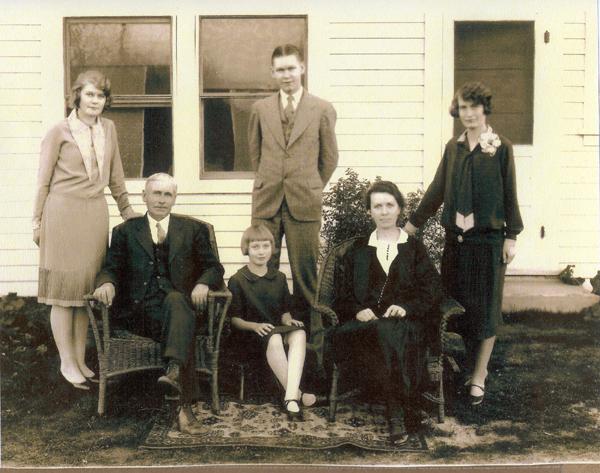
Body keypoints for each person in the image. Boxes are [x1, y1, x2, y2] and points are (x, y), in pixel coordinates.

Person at [404, 81, 523, 406]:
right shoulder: (452, 148)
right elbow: (438, 188)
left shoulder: (501, 148)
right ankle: (469, 367)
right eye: (463, 108)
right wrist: (413, 223)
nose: (469, 114)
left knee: (485, 310)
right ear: (457, 111)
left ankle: (479, 376)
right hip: (457, 244)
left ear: (485, 109)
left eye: (474, 107)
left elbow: (510, 192)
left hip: (487, 242)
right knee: (461, 309)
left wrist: (511, 235)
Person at [93, 173, 225, 435]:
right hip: (140, 313)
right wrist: (106, 283)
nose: (162, 200)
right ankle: (180, 394)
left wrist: (203, 283)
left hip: (180, 309)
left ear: (174, 199)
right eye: (157, 193)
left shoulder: (193, 230)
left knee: (176, 301)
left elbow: (214, 267)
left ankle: (176, 382)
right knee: (179, 317)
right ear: (144, 196)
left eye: (168, 195)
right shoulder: (125, 231)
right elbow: (111, 268)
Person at [33, 70, 137, 390]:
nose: (95, 101)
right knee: (64, 294)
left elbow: (116, 174)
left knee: (86, 292)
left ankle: (80, 359)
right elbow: (44, 181)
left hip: (94, 215)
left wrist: (126, 210)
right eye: (90, 94)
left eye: (101, 96)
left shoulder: (109, 128)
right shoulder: (58, 132)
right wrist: (37, 221)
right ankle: (66, 362)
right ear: (77, 95)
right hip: (62, 214)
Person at [332, 181, 444, 445]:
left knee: (391, 330)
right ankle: (407, 408)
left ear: (400, 209)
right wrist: (358, 310)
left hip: (406, 324)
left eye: (389, 205)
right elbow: (341, 295)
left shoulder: (414, 248)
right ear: (369, 212)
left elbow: (433, 290)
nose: (384, 211)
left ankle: (396, 414)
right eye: (377, 206)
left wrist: (406, 307)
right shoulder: (358, 249)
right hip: (364, 329)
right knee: (383, 330)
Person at [248, 44, 339, 325]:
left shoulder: (322, 108)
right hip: (267, 202)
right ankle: (265, 345)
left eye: (291, 68)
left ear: (302, 68)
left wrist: (310, 184)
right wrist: (271, 180)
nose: (286, 75)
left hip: (304, 202)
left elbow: (329, 158)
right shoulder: (260, 109)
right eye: (280, 70)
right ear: (272, 72)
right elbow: (256, 154)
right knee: (263, 272)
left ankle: (311, 348)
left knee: (306, 276)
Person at [227, 224, 316, 421]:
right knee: (274, 338)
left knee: (299, 333)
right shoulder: (238, 280)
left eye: (266, 246)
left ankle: (291, 396)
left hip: (275, 329)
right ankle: (296, 395)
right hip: (251, 336)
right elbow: (234, 319)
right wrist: (255, 326)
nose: (261, 252)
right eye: (256, 247)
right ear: (246, 249)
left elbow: (284, 310)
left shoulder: (279, 277)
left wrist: (288, 320)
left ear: (272, 248)